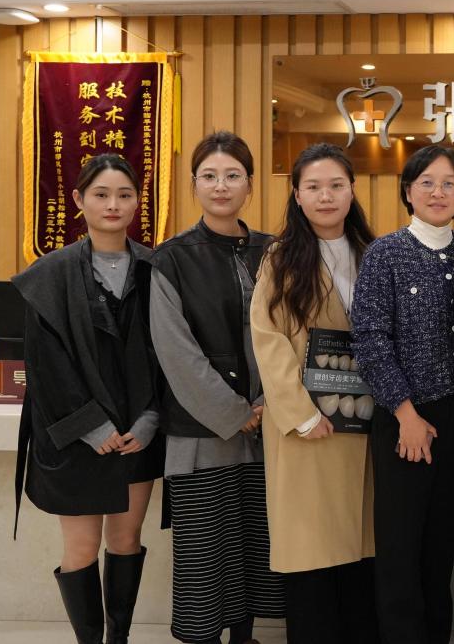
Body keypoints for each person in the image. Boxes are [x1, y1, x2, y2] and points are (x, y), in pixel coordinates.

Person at [12, 153, 164, 644]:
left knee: (126, 540)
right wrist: (89, 425)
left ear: (137, 202)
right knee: (80, 548)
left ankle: (118, 639)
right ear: (79, 200)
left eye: (124, 195)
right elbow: (45, 364)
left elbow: (169, 352)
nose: (113, 204)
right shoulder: (50, 274)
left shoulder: (157, 269)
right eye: (101, 194)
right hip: (76, 437)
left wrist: (150, 418)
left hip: (137, 433)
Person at [151, 131, 284, 644]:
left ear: (250, 185)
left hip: (269, 427)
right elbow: (175, 350)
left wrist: (269, 403)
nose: (221, 185)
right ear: (193, 185)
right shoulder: (171, 258)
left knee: (255, 545)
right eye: (209, 176)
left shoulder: (275, 251)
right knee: (205, 551)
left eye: (232, 175)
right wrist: (235, 412)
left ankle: (245, 637)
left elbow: (295, 335)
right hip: (200, 429)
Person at [250, 143, 378, 643]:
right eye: (314, 187)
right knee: (311, 549)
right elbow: (268, 340)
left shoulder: (375, 253)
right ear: (297, 195)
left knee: (362, 547)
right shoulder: (281, 258)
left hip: (365, 421)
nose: (326, 196)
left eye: (336, 185)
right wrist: (301, 415)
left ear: (352, 191)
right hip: (309, 426)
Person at [352, 145, 454, 644]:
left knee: (440, 548)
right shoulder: (385, 253)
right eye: (427, 182)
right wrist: (406, 414)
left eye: (449, 184)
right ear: (408, 191)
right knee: (400, 550)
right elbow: (370, 340)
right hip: (403, 418)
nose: (438, 192)